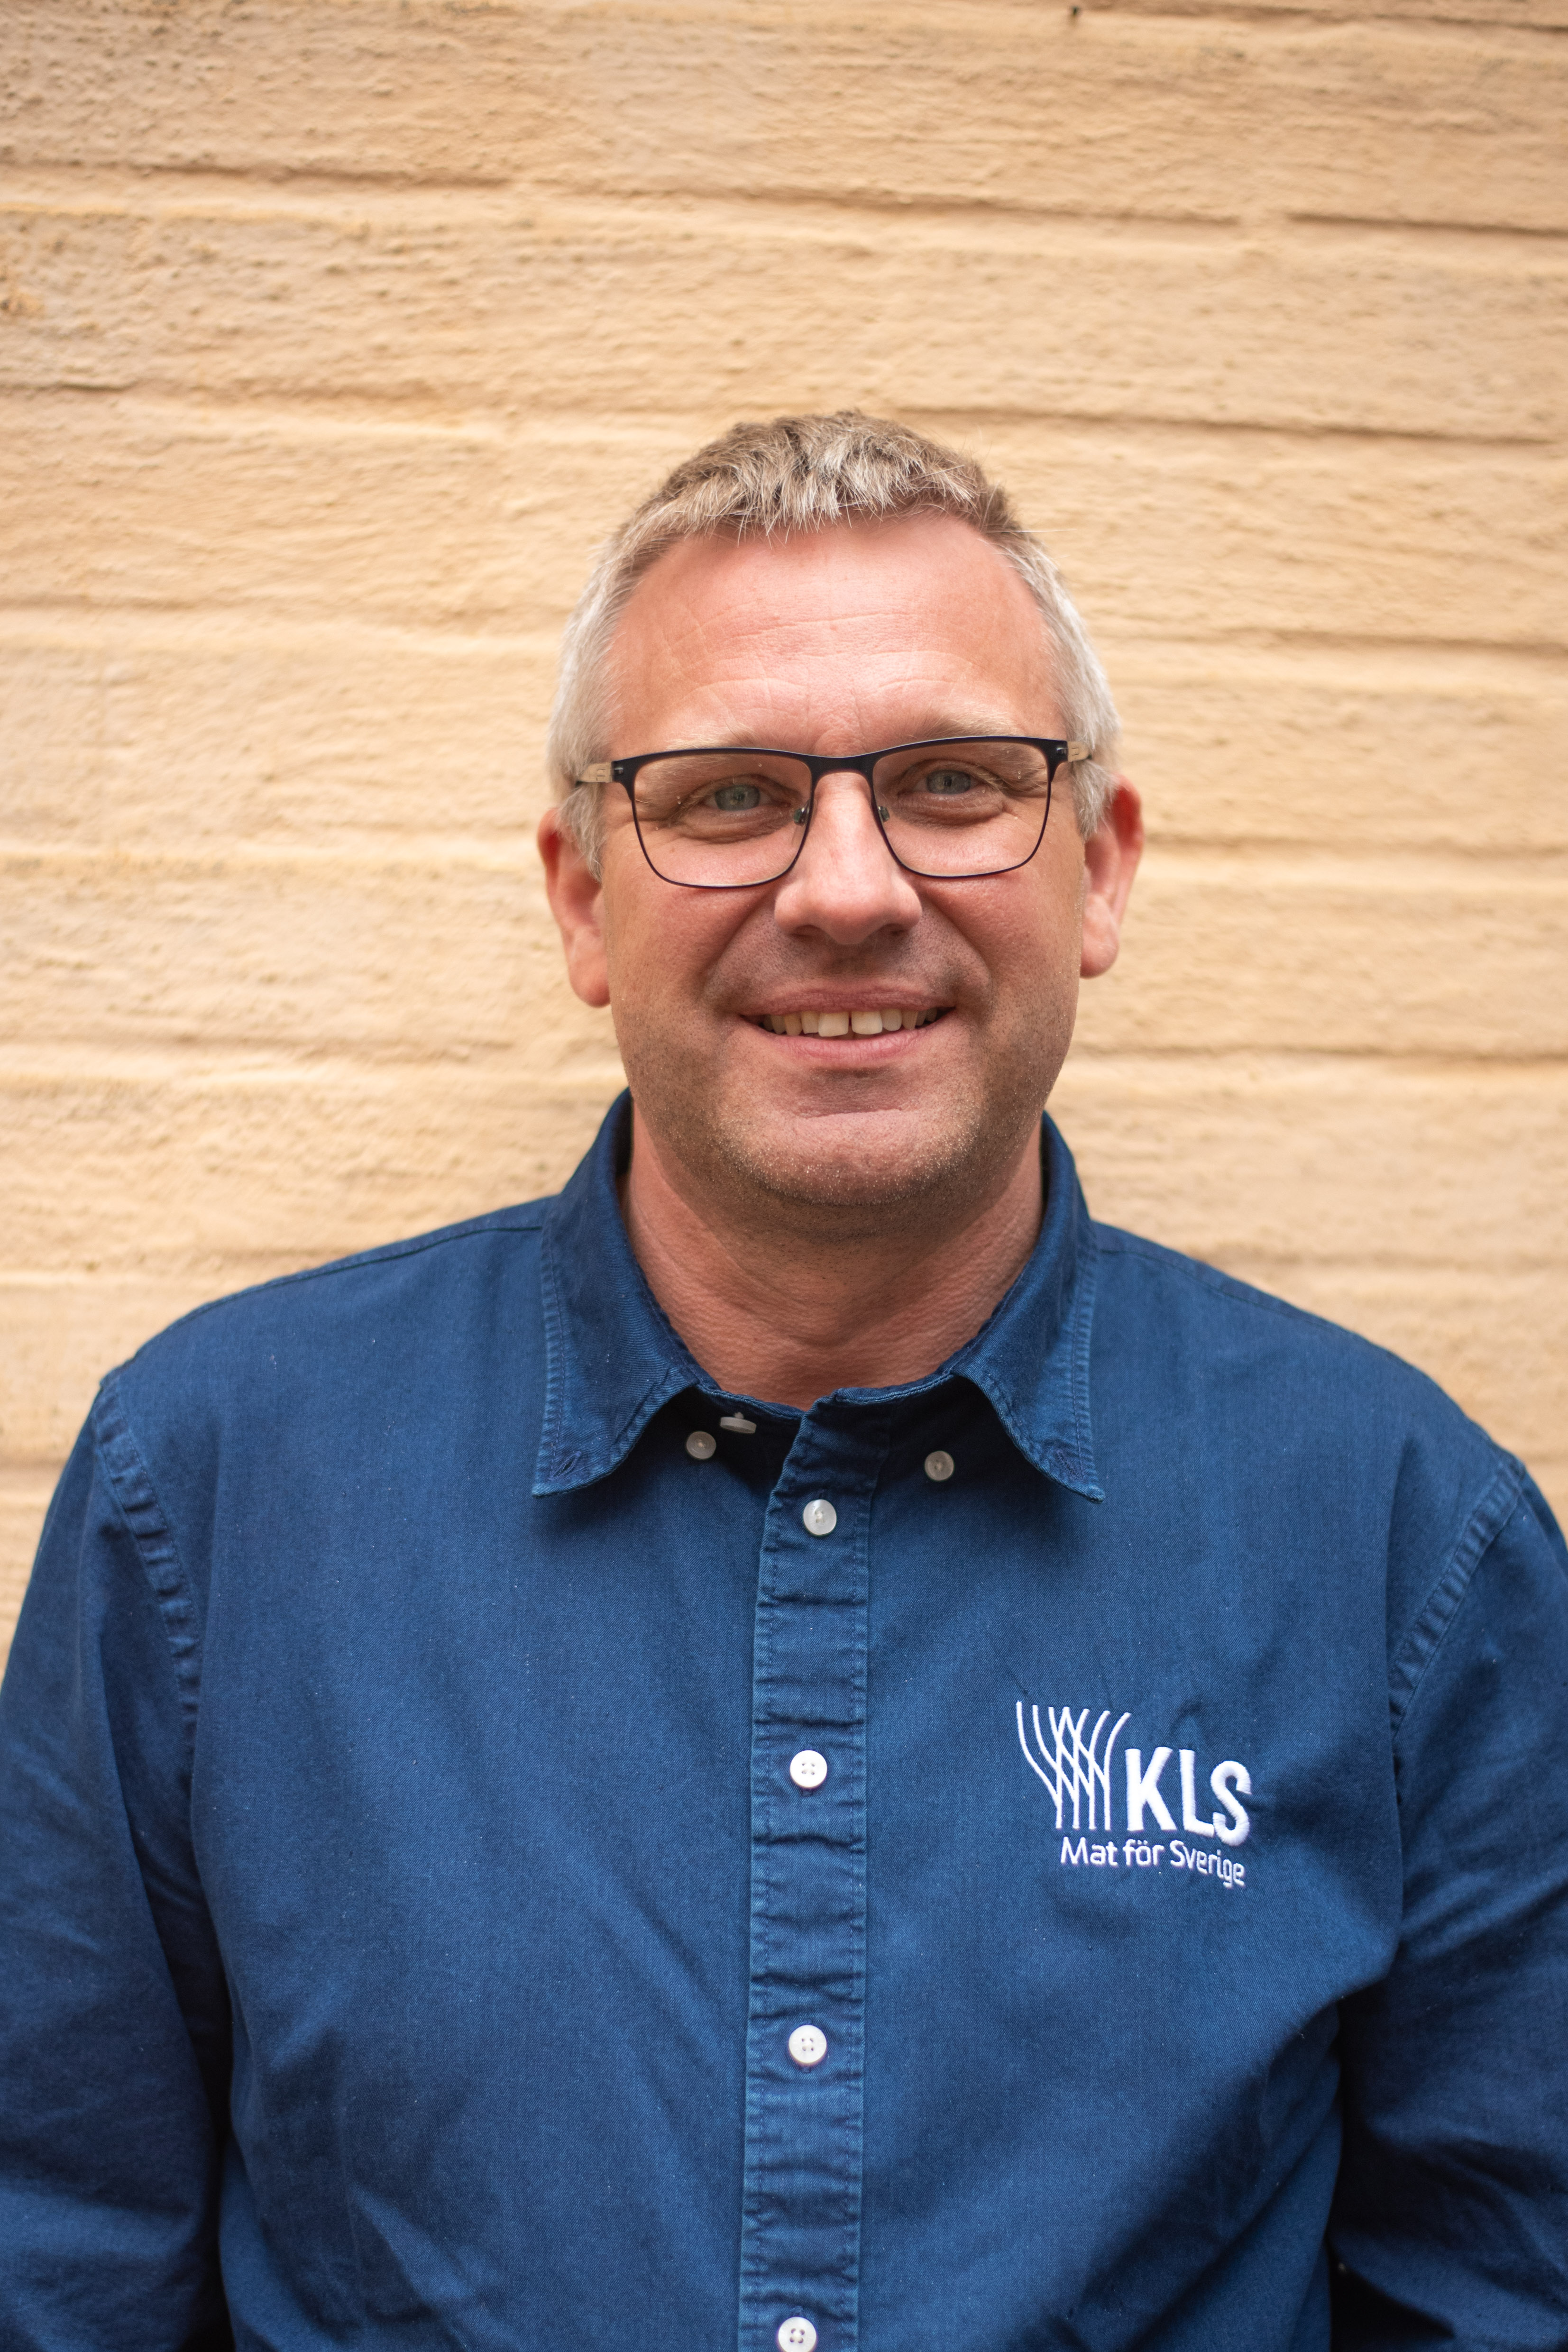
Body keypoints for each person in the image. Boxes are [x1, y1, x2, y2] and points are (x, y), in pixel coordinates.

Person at [1, 412, 1564, 2352]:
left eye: (951, 782)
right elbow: (55, 2263)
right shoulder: (214, 1492)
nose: (843, 888)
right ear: (583, 898)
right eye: (730, 795)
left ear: (1098, 872)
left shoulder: (1402, 1540)